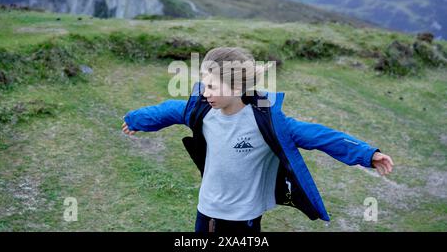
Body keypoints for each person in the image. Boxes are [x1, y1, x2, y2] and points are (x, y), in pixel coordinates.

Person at [122, 47, 393, 233]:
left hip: (245, 217)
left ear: (238, 88)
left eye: (213, 87)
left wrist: (367, 154)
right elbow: (167, 110)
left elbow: (319, 135)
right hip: (207, 210)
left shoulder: (267, 121)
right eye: (204, 85)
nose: (205, 93)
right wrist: (136, 120)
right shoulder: (202, 111)